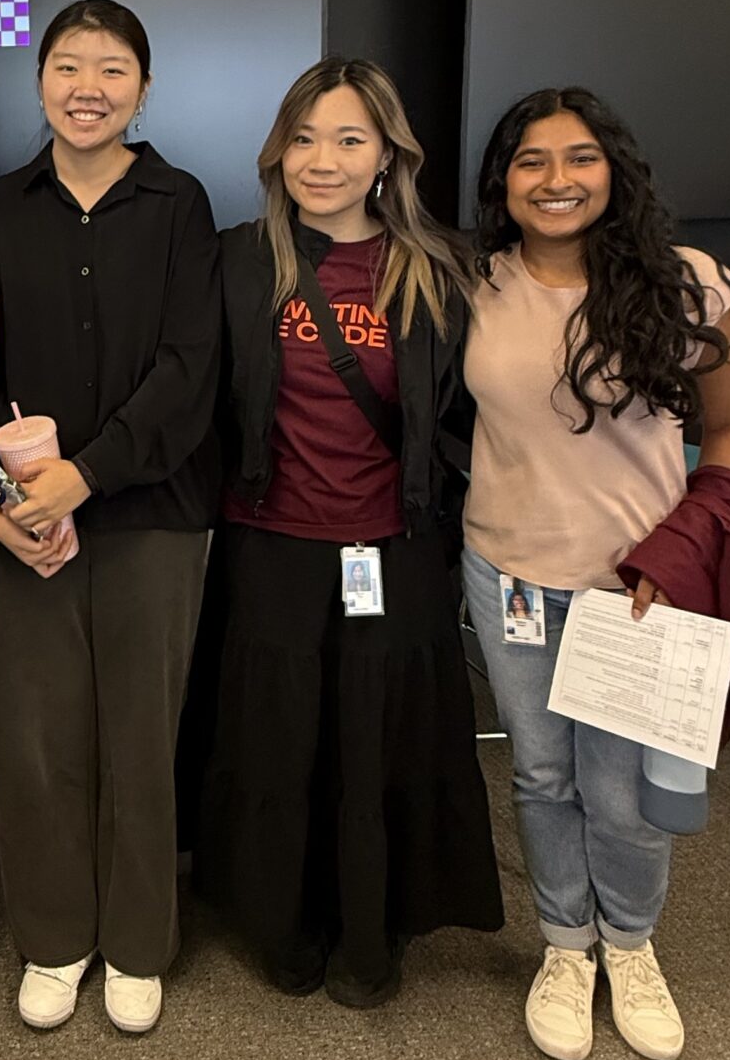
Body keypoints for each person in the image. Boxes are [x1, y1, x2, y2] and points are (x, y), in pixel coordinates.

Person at [462, 87, 730, 1060]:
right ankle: (566, 944)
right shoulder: (475, 282)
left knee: (624, 790)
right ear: (503, 182)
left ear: (615, 169)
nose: (556, 180)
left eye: (579, 157)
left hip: (640, 587)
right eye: (532, 161)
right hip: (506, 574)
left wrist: (681, 553)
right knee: (543, 773)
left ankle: (629, 946)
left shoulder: (691, 284)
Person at [195, 57, 502, 1004]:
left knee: (377, 744)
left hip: (392, 545)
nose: (321, 160)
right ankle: (283, 923)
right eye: (303, 138)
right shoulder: (239, 260)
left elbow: (474, 414)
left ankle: (372, 929)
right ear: (276, 151)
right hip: (271, 543)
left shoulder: (442, 268)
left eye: (347, 139)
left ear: (387, 157)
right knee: (280, 743)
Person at [0, 0, 220, 1036]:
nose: (88, 87)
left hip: (153, 507)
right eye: (68, 65)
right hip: (27, 516)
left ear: (143, 89)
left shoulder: (179, 202)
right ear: (38, 82)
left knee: (140, 733)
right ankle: (55, 933)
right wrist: (2, 497)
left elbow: (190, 368)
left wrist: (89, 472)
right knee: (35, 733)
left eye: (113, 68)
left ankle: (139, 940)